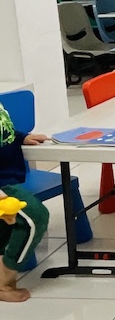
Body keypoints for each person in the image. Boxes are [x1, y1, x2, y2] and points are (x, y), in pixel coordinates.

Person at [0, 101, 50, 303]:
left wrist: (21, 137)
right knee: (35, 216)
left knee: (7, 224)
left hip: (8, 178)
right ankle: (4, 280)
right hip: (3, 183)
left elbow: (4, 129)